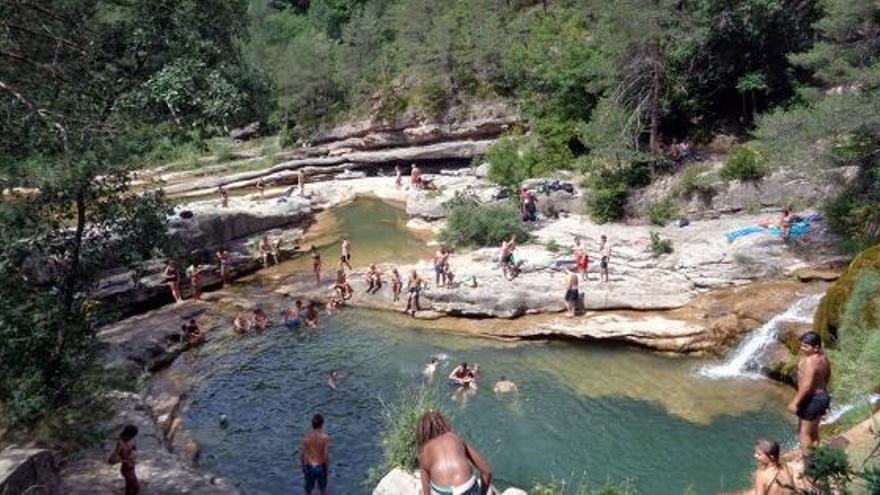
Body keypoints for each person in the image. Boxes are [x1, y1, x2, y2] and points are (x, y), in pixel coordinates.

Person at [417, 411, 492, 495]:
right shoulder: (456, 439)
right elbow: (487, 471)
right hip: (467, 487)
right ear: (443, 423)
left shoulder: (423, 453)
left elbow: (426, 492)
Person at [787, 332, 832, 456]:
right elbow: (827, 376)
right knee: (813, 431)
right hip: (823, 397)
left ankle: (809, 465)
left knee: (803, 433)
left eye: (806, 346)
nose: (802, 348)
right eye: (801, 345)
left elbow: (806, 386)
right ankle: (817, 456)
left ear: (816, 347)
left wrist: (794, 402)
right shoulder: (824, 358)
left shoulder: (810, 362)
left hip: (812, 400)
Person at [301, 413, 330, 495]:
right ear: (322, 424)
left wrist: (303, 466)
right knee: (323, 490)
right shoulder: (325, 438)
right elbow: (325, 454)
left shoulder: (306, 437)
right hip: (320, 466)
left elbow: (302, 454)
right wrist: (327, 469)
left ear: (312, 425)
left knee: (307, 491)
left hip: (309, 466)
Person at [108, 424, 139, 495]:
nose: (132, 438)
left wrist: (133, 454)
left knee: (129, 487)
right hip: (127, 469)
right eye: (131, 436)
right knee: (135, 488)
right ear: (127, 434)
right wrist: (124, 460)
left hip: (131, 467)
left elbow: (134, 448)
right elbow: (111, 460)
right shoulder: (121, 443)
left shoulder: (130, 440)